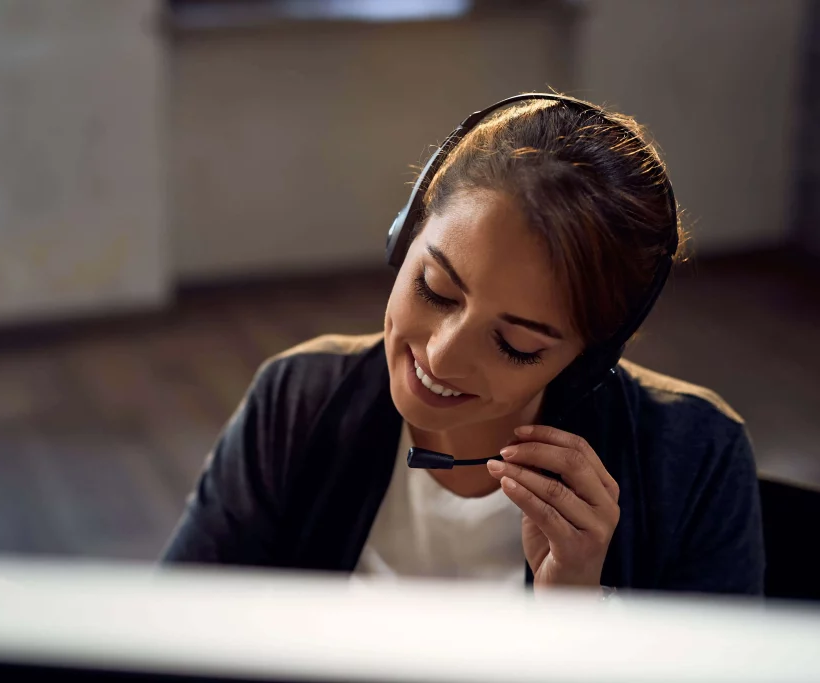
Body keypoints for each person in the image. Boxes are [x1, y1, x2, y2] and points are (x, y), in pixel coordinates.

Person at [161, 94, 765, 596]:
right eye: (436, 289)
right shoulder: (297, 398)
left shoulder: (696, 457)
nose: (443, 356)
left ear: (590, 360)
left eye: (515, 343)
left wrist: (577, 609)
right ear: (405, 238)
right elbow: (171, 634)